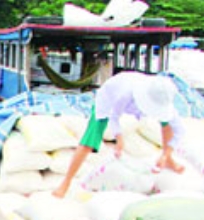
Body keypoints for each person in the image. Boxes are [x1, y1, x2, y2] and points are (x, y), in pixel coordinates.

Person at [52, 71, 185, 198]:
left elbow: (178, 131)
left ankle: (168, 159)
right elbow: (114, 116)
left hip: (132, 99)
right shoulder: (125, 93)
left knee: (166, 124)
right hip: (109, 97)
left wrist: (166, 153)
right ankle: (66, 182)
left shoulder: (164, 101)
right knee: (90, 139)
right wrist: (119, 138)